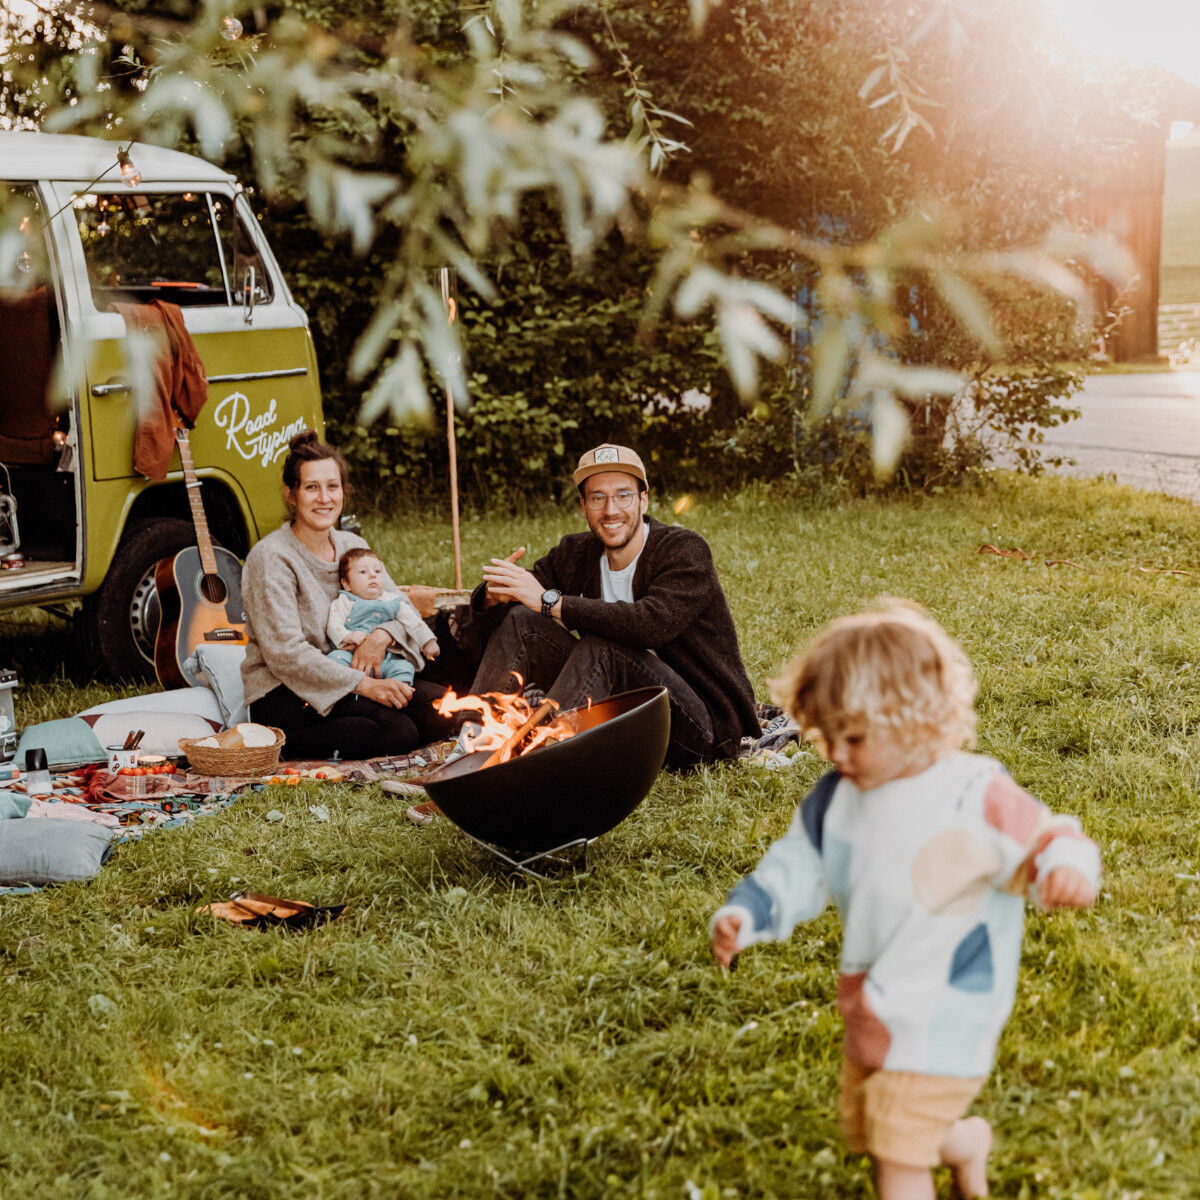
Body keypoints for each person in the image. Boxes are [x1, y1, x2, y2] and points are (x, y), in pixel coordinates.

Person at [710, 602, 1100, 1200]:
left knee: (897, 1155)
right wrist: (748, 913)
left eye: (856, 738)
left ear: (916, 719)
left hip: (949, 1010)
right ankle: (965, 1142)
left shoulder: (973, 792)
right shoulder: (837, 799)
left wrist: (1067, 869)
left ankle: (932, 1155)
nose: (838, 755)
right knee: (871, 1132)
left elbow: (1051, 837)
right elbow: (796, 867)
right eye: (827, 737)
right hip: (872, 1009)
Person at [469, 443, 760, 769]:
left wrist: (550, 602)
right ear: (583, 505)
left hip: (699, 728)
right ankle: (470, 748)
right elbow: (512, 602)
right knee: (522, 620)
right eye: (597, 498)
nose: (611, 510)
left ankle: (541, 759)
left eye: (623, 495)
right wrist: (491, 596)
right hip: (618, 714)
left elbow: (651, 624)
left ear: (643, 500)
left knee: (603, 645)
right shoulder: (576, 552)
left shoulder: (684, 550)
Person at [241, 430, 453, 759]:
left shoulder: (352, 547)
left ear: (344, 491)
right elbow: (286, 653)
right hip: (287, 691)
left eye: (332, 486)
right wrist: (364, 685)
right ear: (291, 494)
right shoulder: (271, 558)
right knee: (397, 731)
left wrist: (382, 634)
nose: (324, 498)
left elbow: (400, 607)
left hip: (353, 673)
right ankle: (278, 745)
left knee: (443, 709)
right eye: (312, 487)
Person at [326, 547, 440, 683]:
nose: (372, 575)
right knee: (334, 660)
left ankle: (398, 689)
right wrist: (347, 636)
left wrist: (428, 641)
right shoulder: (344, 601)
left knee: (404, 667)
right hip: (351, 657)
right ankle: (356, 688)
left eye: (378, 571)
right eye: (363, 572)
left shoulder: (392, 600)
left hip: (387, 657)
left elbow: (414, 622)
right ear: (346, 583)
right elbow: (334, 625)